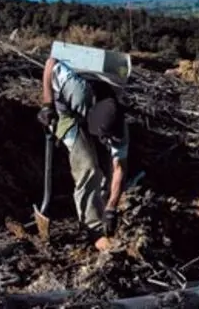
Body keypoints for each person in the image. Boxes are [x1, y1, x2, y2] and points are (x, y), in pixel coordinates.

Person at [37, 57, 129, 251]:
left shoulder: (119, 127)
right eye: (102, 138)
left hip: (95, 111)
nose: (106, 142)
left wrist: (113, 207)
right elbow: (50, 62)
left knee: (107, 170)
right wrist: (47, 104)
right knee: (88, 166)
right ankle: (93, 230)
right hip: (66, 113)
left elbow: (119, 168)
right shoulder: (75, 88)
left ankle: (103, 212)